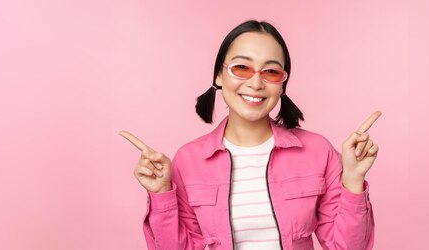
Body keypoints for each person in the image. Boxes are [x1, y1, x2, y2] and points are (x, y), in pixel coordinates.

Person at [120, 19, 381, 250]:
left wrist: (354, 180)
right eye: (242, 68)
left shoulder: (318, 151)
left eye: (271, 71)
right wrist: (161, 194)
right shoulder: (188, 160)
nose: (256, 83)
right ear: (219, 76)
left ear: (282, 84)